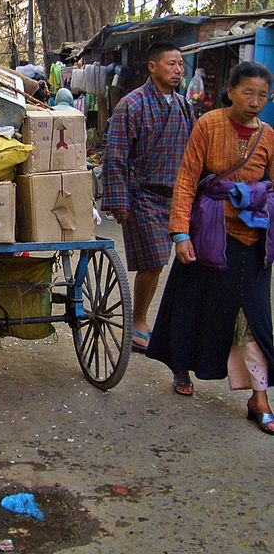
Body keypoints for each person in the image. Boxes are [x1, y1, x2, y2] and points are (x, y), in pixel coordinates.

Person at [147, 62, 274, 429]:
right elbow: (187, 179)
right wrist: (180, 233)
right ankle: (180, 364)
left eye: (262, 96)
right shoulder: (208, 125)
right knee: (192, 301)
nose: (254, 102)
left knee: (253, 316)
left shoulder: (268, 136)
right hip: (208, 231)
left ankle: (259, 396)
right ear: (231, 90)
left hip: (254, 239)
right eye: (248, 93)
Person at [101, 40, 195, 352]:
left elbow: (194, 156)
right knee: (154, 260)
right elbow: (115, 156)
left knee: (182, 260)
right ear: (152, 67)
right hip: (141, 193)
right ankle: (138, 319)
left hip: (175, 194)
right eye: (171, 64)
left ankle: (171, 322)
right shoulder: (132, 104)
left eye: (180, 64)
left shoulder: (184, 107)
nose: (178, 70)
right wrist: (118, 201)